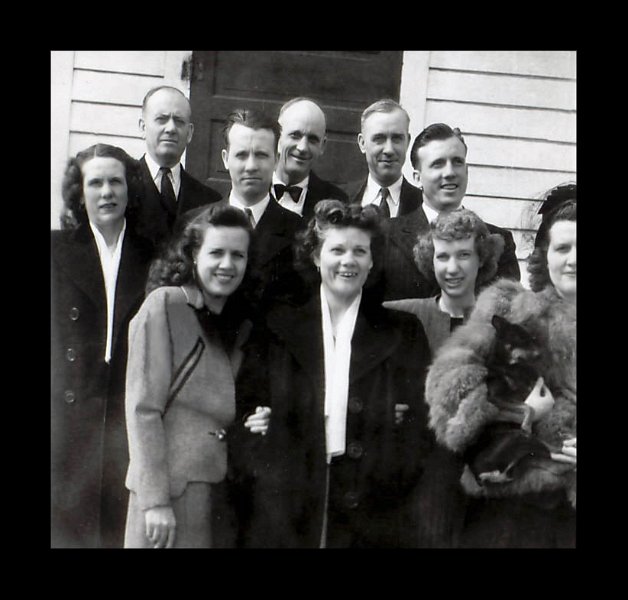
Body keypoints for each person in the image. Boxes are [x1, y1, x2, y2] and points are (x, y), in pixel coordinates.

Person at [231, 199, 433, 548]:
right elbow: (245, 406)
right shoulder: (278, 326)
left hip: (373, 510)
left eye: (360, 251)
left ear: (372, 261)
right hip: (288, 504)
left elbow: (422, 423)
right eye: (336, 249)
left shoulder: (403, 332)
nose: (348, 260)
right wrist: (258, 427)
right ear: (315, 255)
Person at [424, 182, 577, 548]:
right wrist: (522, 415)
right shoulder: (509, 309)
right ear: (544, 255)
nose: (573, 259)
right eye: (563, 248)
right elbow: (449, 399)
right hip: (513, 517)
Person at [123, 204, 266, 549]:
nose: (227, 265)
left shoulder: (239, 325)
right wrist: (155, 501)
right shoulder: (165, 305)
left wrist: (257, 418)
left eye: (238, 255)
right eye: (216, 253)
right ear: (192, 255)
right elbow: (143, 408)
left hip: (217, 492)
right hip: (167, 493)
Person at [51, 144, 154, 548]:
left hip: (125, 418)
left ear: (130, 190)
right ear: (80, 192)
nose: (107, 192)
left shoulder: (151, 253)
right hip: (65, 416)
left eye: (116, 181)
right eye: (95, 182)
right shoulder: (56, 250)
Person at [383, 207, 505, 547]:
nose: (452, 268)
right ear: (429, 260)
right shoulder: (402, 314)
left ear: (482, 259)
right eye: (443, 256)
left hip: (484, 474)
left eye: (464, 255)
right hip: (420, 477)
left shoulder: (501, 324)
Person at [380, 122, 520, 301]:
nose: (450, 172)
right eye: (438, 164)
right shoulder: (386, 235)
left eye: (457, 162)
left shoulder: (499, 241)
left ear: (467, 171)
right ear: (417, 177)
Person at [215, 108, 302, 307]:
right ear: (225, 159)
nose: (251, 165)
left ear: (276, 160)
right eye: (241, 155)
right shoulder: (195, 223)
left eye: (261, 155)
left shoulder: (299, 232)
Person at [136, 85, 221, 249]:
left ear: (189, 133)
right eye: (161, 119)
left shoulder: (210, 201)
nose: (171, 129)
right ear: (143, 127)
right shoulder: (123, 188)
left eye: (179, 121)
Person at [273, 97, 347, 222]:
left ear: (322, 146)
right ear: (277, 137)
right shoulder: (253, 187)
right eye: (295, 136)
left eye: (312, 139)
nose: (302, 148)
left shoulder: (335, 201)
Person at [343, 99, 421, 219]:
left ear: (407, 142)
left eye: (397, 138)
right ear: (362, 143)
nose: (389, 150)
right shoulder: (342, 199)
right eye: (379, 138)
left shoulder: (424, 204)